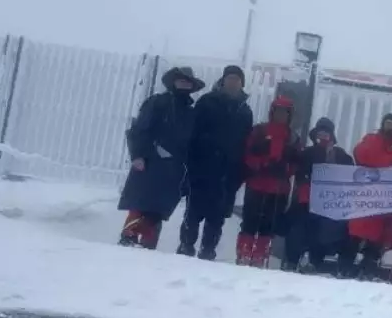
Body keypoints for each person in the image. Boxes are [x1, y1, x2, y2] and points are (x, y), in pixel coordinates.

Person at [117, 66, 203, 249]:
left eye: (187, 81)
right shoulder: (157, 102)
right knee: (141, 202)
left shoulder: (191, 112)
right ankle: (128, 237)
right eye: (180, 80)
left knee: (159, 207)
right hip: (150, 162)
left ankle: (149, 243)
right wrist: (138, 154)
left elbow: (192, 141)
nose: (183, 84)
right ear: (173, 81)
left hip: (174, 168)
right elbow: (139, 130)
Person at [178, 65, 254, 260]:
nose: (233, 82)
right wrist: (193, 159)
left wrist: (240, 171)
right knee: (193, 210)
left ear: (241, 84)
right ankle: (186, 245)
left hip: (228, 171)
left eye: (237, 79)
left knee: (217, 215)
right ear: (223, 80)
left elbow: (247, 141)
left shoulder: (245, 111)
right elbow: (192, 133)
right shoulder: (207, 102)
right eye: (230, 78)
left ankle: (208, 249)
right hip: (203, 166)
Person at [282, 118, 356, 274]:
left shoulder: (340, 154)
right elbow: (296, 168)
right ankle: (292, 261)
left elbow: (350, 172)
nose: (323, 137)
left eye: (326, 134)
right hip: (305, 200)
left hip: (326, 203)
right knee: (298, 231)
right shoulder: (307, 152)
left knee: (321, 233)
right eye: (320, 133)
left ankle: (315, 261)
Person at [237, 96, 299, 267]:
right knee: (250, 220)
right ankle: (243, 252)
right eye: (278, 111)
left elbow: (296, 162)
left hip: (278, 188)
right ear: (272, 112)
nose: (281, 115)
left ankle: (260, 255)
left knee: (269, 224)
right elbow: (248, 153)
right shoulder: (259, 131)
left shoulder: (292, 137)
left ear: (289, 115)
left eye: (285, 113)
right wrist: (260, 164)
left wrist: (286, 169)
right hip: (257, 183)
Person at [350, 113, 392, 279]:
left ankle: (369, 264)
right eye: (387, 123)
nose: (389, 126)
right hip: (367, 193)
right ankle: (351, 263)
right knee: (358, 230)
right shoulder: (372, 140)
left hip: (384, 197)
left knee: (378, 233)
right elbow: (359, 154)